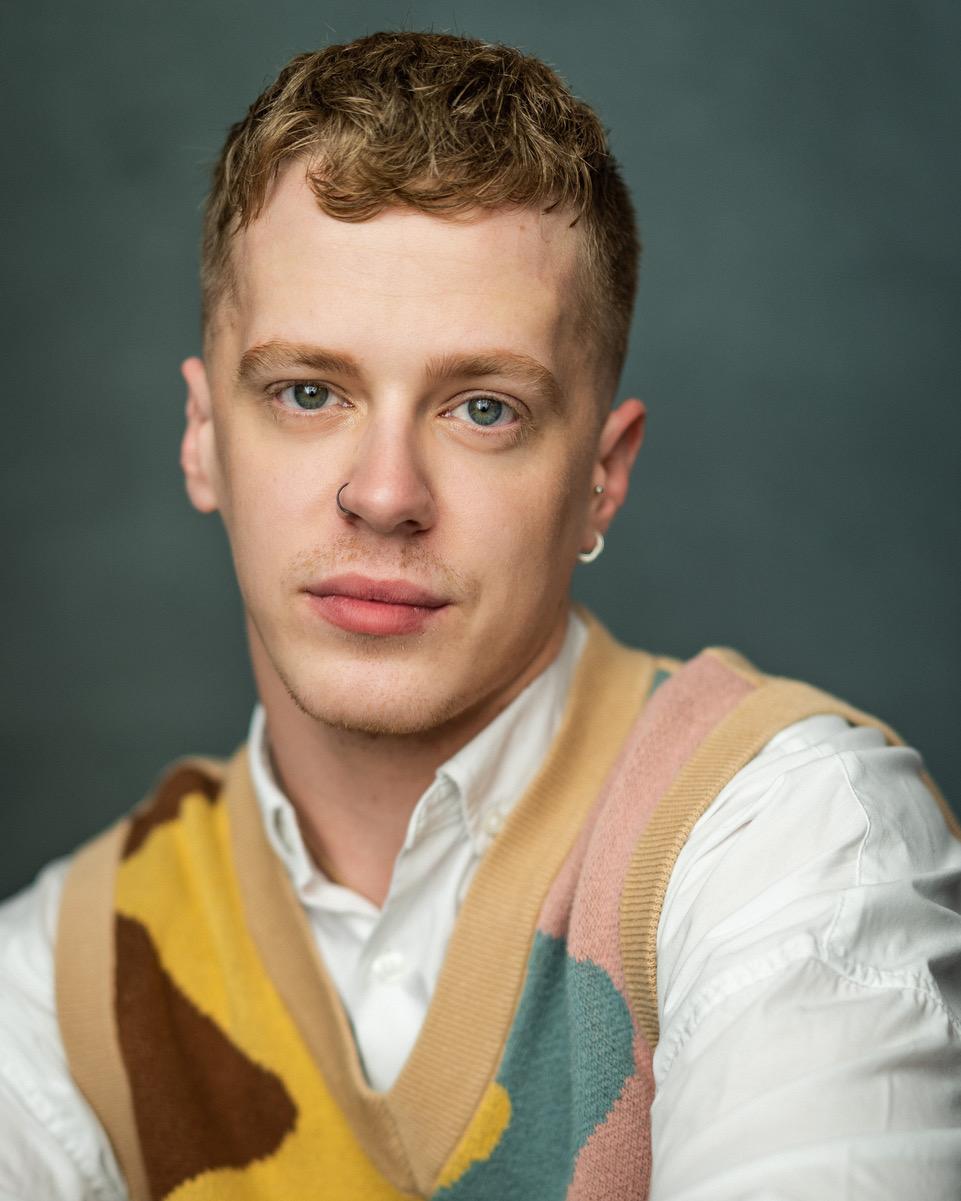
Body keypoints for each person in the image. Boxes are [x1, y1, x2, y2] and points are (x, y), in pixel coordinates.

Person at [1, 28, 959, 1201]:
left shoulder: (797, 839)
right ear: (204, 438)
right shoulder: (59, 977)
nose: (384, 494)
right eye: (307, 392)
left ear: (601, 473)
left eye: (484, 409)